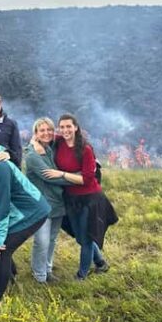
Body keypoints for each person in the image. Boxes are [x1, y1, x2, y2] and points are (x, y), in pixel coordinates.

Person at [0, 132, 50, 313]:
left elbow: (3, 205)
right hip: (18, 213)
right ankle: (11, 279)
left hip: (33, 211)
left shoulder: (0, 167)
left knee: (2, 250)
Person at [43, 114, 112, 281]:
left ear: (76, 127)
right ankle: (100, 262)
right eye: (62, 127)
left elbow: (87, 179)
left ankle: (81, 275)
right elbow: (41, 136)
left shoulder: (85, 149)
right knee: (80, 237)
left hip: (89, 198)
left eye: (69, 126)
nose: (65, 130)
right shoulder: (59, 142)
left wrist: (61, 174)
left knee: (86, 238)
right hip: (70, 198)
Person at [25, 118, 70, 284]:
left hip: (57, 202)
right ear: (36, 134)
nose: (46, 133)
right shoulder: (32, 154)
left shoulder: (50, 149)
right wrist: (79, 179)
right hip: (41, 205)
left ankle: (47, 270)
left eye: (49, 130)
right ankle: (40, 276)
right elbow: (49, 176)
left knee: (51, 239)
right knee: (42, 241)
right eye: (42, 130)